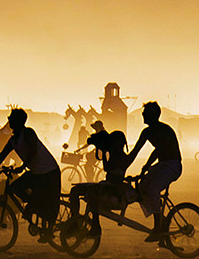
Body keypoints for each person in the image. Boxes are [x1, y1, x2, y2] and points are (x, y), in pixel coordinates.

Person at [0, 108, 62, 239]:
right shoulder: (13, 140)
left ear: (20, 121)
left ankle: (46, 226)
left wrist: (23, 167)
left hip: (48, 171)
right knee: (15, 187)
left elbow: (33, 151)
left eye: (12, 118)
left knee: (41, 196)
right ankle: (33, 205)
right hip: (36, 172)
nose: (9, 120)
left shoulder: (28, 133)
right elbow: (1, 156)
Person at [125, 101, 182, 244]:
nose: (142, 115)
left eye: (144, 113)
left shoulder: (164, 129)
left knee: (152, 190)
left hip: (173, 165)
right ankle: (159, 219)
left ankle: (158, 227)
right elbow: (135, 152)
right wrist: (123, 165)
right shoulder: (147, 132)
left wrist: (146, 166)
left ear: (151, 115)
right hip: (163, 164)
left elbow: (159, 150)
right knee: (142, 188)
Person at [68, 121, 129, 235]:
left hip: (113, 188)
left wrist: (104, 150)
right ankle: (76, 221)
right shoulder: (118, 154)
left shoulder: (120, 157)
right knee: (75, 190)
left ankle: (95, 226)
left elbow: (107, 168)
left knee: (91, 192)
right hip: (109, 185)